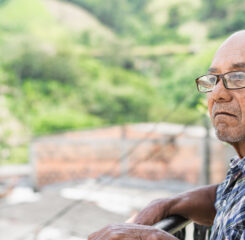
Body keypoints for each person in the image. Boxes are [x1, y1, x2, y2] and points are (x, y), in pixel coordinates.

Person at [88, 30, 245, 240]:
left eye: (237, 77)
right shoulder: (240, 172)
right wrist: (168, 205)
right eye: (214, 79)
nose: (217, 93)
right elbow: (227, 201)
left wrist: (156, 237)